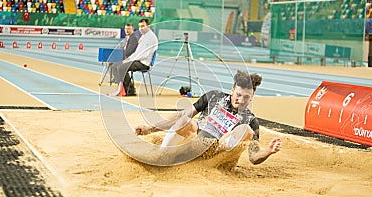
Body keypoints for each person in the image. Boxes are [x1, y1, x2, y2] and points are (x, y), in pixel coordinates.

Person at [135, 70, 282, 165]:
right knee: (186, 120)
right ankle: (161, 155)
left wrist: (268, 151)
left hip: (216, 153)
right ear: (232, 90)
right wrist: (149, 129)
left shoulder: (250, 120)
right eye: (238, 95)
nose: (241, 100)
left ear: (252, 97)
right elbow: (182, 115)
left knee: (247, 131)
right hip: (194, 142)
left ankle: (213, 159)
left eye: (246, 97)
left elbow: (254, 157)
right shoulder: (214, 97)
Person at [111, 18, 158, 97]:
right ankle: (124, 88)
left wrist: (130, 60)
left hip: (144, 63)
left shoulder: (149, 37)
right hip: (139, 60)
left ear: (148, 26)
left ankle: (130, 91)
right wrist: (128, 59)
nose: (141, 28)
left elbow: (144, 55)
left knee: (121, 67)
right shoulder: (144, 36)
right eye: (139, 27)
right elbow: (137, 53)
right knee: (115, 65)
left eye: (143, 26)